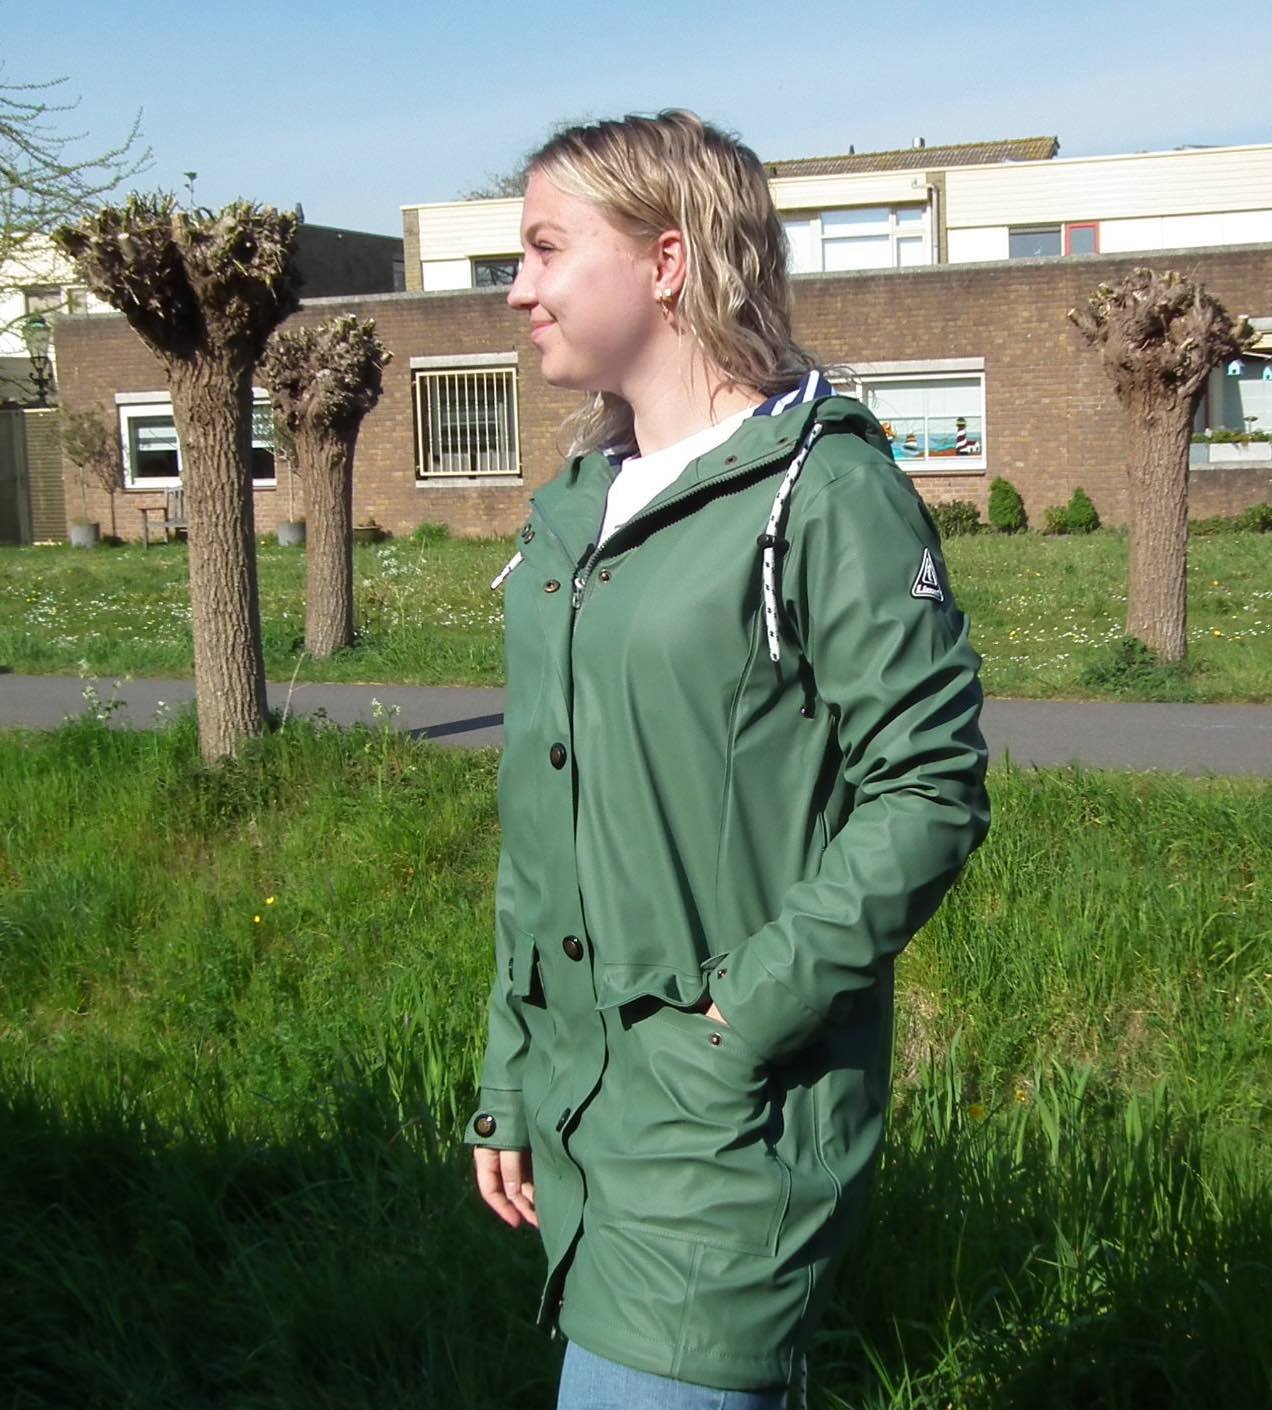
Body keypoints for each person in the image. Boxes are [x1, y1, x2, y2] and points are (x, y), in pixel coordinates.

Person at [465, 109, 991, 1410]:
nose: (518, 288)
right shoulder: (580, 509)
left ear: (667, 259)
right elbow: (546, 822)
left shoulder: (823, 492)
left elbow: (928, 789)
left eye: (545, 248)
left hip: (724, 1123)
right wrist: (511, 1069)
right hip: (581, 1100)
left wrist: (735, 1022)